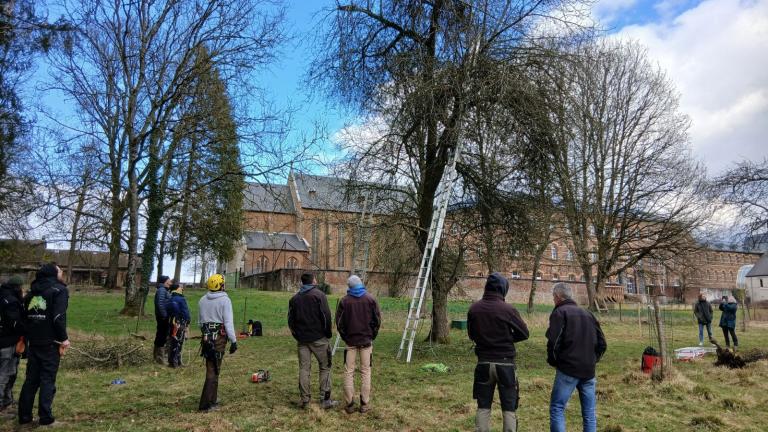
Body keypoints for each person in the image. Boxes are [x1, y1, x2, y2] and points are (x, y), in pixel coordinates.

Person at [467, 272, 530, 432]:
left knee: (483, 407)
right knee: (509, 408)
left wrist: (486, 340)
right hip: (505, 365)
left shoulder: (474, 309)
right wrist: (506, 339)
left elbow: (471, 334)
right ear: (504, 289)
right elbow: (524, 333)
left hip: (483, 364)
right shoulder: (508, 309)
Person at [546, 282, 607, 432]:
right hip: (588, 370)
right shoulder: (588, 314)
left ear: (558, 297)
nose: (553, 299)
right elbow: (602, 343)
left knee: (557, 408)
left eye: (554, 296)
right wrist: (593, 359)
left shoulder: (559, 313)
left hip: (568, 369)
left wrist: (554, 362)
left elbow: (553, 343)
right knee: (589, 413)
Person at [18, 264, 70, 427]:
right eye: (59, 270)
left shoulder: (32, 292)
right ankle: (45, 417)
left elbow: (25, 317)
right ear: (54, 274)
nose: (62, 272)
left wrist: (27, 337)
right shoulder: (59, 290)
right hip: (50, 343)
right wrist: (64, 338)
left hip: (34, 342)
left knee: (31, 380)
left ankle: (24, 416)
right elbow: (58, 317)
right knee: (47, 379)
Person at [288, 273, 337, 410]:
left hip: (302, 339)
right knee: (325, 366)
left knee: (304, 368)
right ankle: (325, 399)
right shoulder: (319, 295)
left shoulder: (294, 299)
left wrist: (297, 335)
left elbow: (290, 321)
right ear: (313, 281)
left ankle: (305, 399)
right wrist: (327, 333)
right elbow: (326, 316)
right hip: (319, 338)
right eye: (315, 278)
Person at [336, 275, 381, 414]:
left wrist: (345, 337)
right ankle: (364, 404)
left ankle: (349, 404)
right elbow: (377, 321)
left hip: (351, 342)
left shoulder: (344, 301)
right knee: (366, 371)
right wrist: (371, 336)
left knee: (349, 372)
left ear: (349, 286)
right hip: (366, 342)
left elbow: (339, 323)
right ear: (360, 284)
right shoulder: (371, 299)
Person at [197, 274, 237, 412]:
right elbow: (228, 322)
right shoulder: (225, 301)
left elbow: (200, 322)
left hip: (206, 339)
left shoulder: (202, 300)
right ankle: (205, 404)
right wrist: (234, 340)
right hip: (219, 339)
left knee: (214, 367)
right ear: (221, 285)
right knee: (213, 369)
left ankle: (212, 399)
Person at [0, 276, 25, 415]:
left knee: (8, 373)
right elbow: (14, 323)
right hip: (7, 342)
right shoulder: (11, 301)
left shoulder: (3, 296)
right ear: (18, 287)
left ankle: (7, 400)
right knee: (6, 374)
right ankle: (2, 404)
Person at [166, 283, 190, 368]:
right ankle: (176, 362)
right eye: (180, 287)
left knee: (173, 341)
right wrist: (187, 321)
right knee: (179, 342)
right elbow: (185, 311)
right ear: (177, 289)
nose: (182, 288)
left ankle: (172, 361)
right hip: (180, 323)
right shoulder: (181, 299)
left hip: (172, 322)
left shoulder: (170, 299)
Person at [153, 275, 172, 365]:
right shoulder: (161, 290)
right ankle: (160, 358)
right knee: (162, 335)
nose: (170, 282)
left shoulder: (164, 290)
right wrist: (164, 315)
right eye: (169, 281)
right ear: (164, 282)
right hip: (162, 317)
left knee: (160, 334)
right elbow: (160, 304)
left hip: (163, 316)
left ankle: (156, 356)